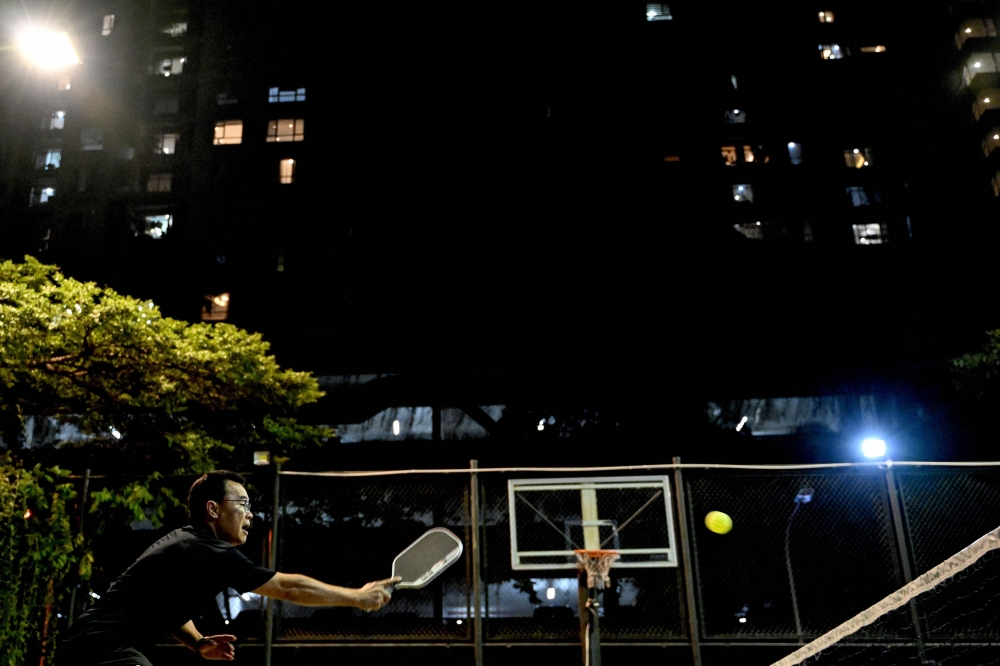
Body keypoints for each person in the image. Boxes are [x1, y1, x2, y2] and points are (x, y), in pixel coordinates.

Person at [60, 470, 398, 664]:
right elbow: (288, 587)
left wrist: (197, 643)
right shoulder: (207, 550)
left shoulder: (189, 547)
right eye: (242, 504)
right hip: (99, 649)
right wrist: (357, 597)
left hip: (88, 647)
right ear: (213, 510)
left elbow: (168, 608)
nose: (249, 514)